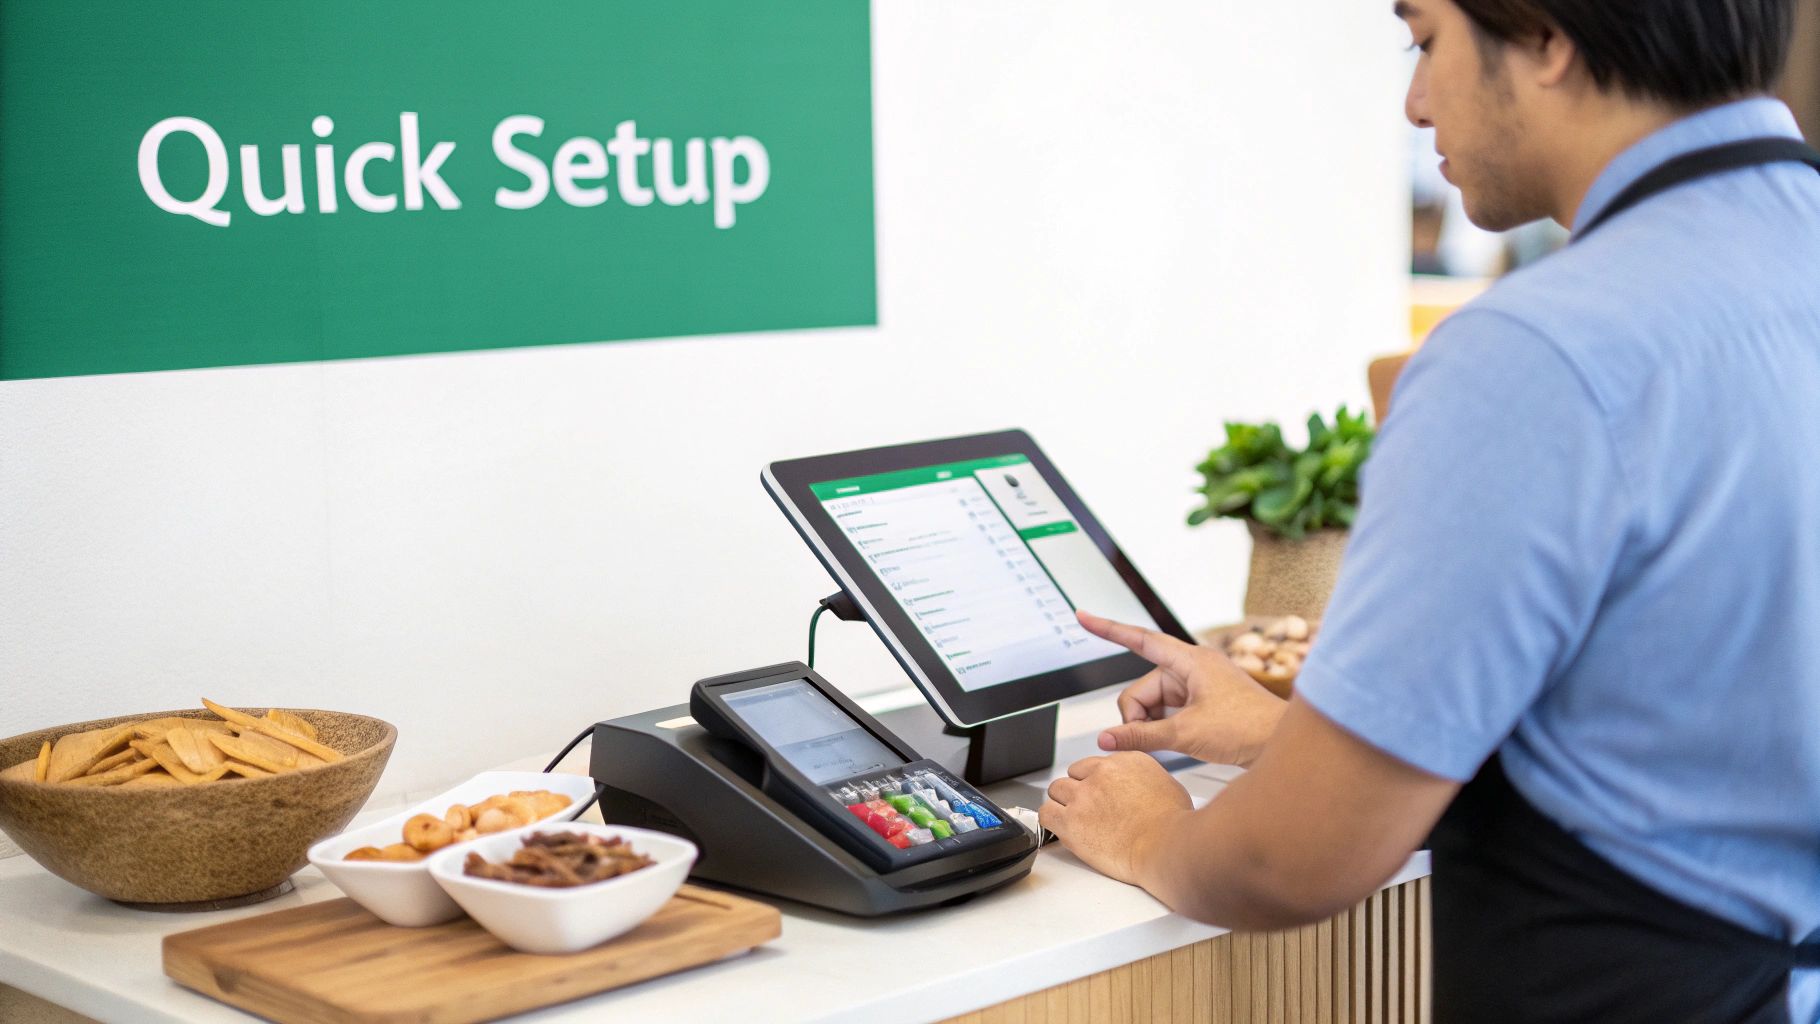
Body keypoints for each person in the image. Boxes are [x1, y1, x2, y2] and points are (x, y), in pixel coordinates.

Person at [1037, 0, 1820, 1020]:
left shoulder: (1534, 354)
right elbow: (1693, 727)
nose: (1411, 104)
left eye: (1422, 41)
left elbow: (1284, 861)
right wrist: (1296, 741)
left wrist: (1148, 830)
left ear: (1543, 33)